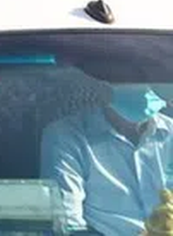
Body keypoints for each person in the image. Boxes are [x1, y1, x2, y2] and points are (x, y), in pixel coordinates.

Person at [41, 83, 173, 235]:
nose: (143, 88)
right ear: (103, 82)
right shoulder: (67, 135)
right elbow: (66, 222)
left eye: (152, 77)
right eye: (132, 78)